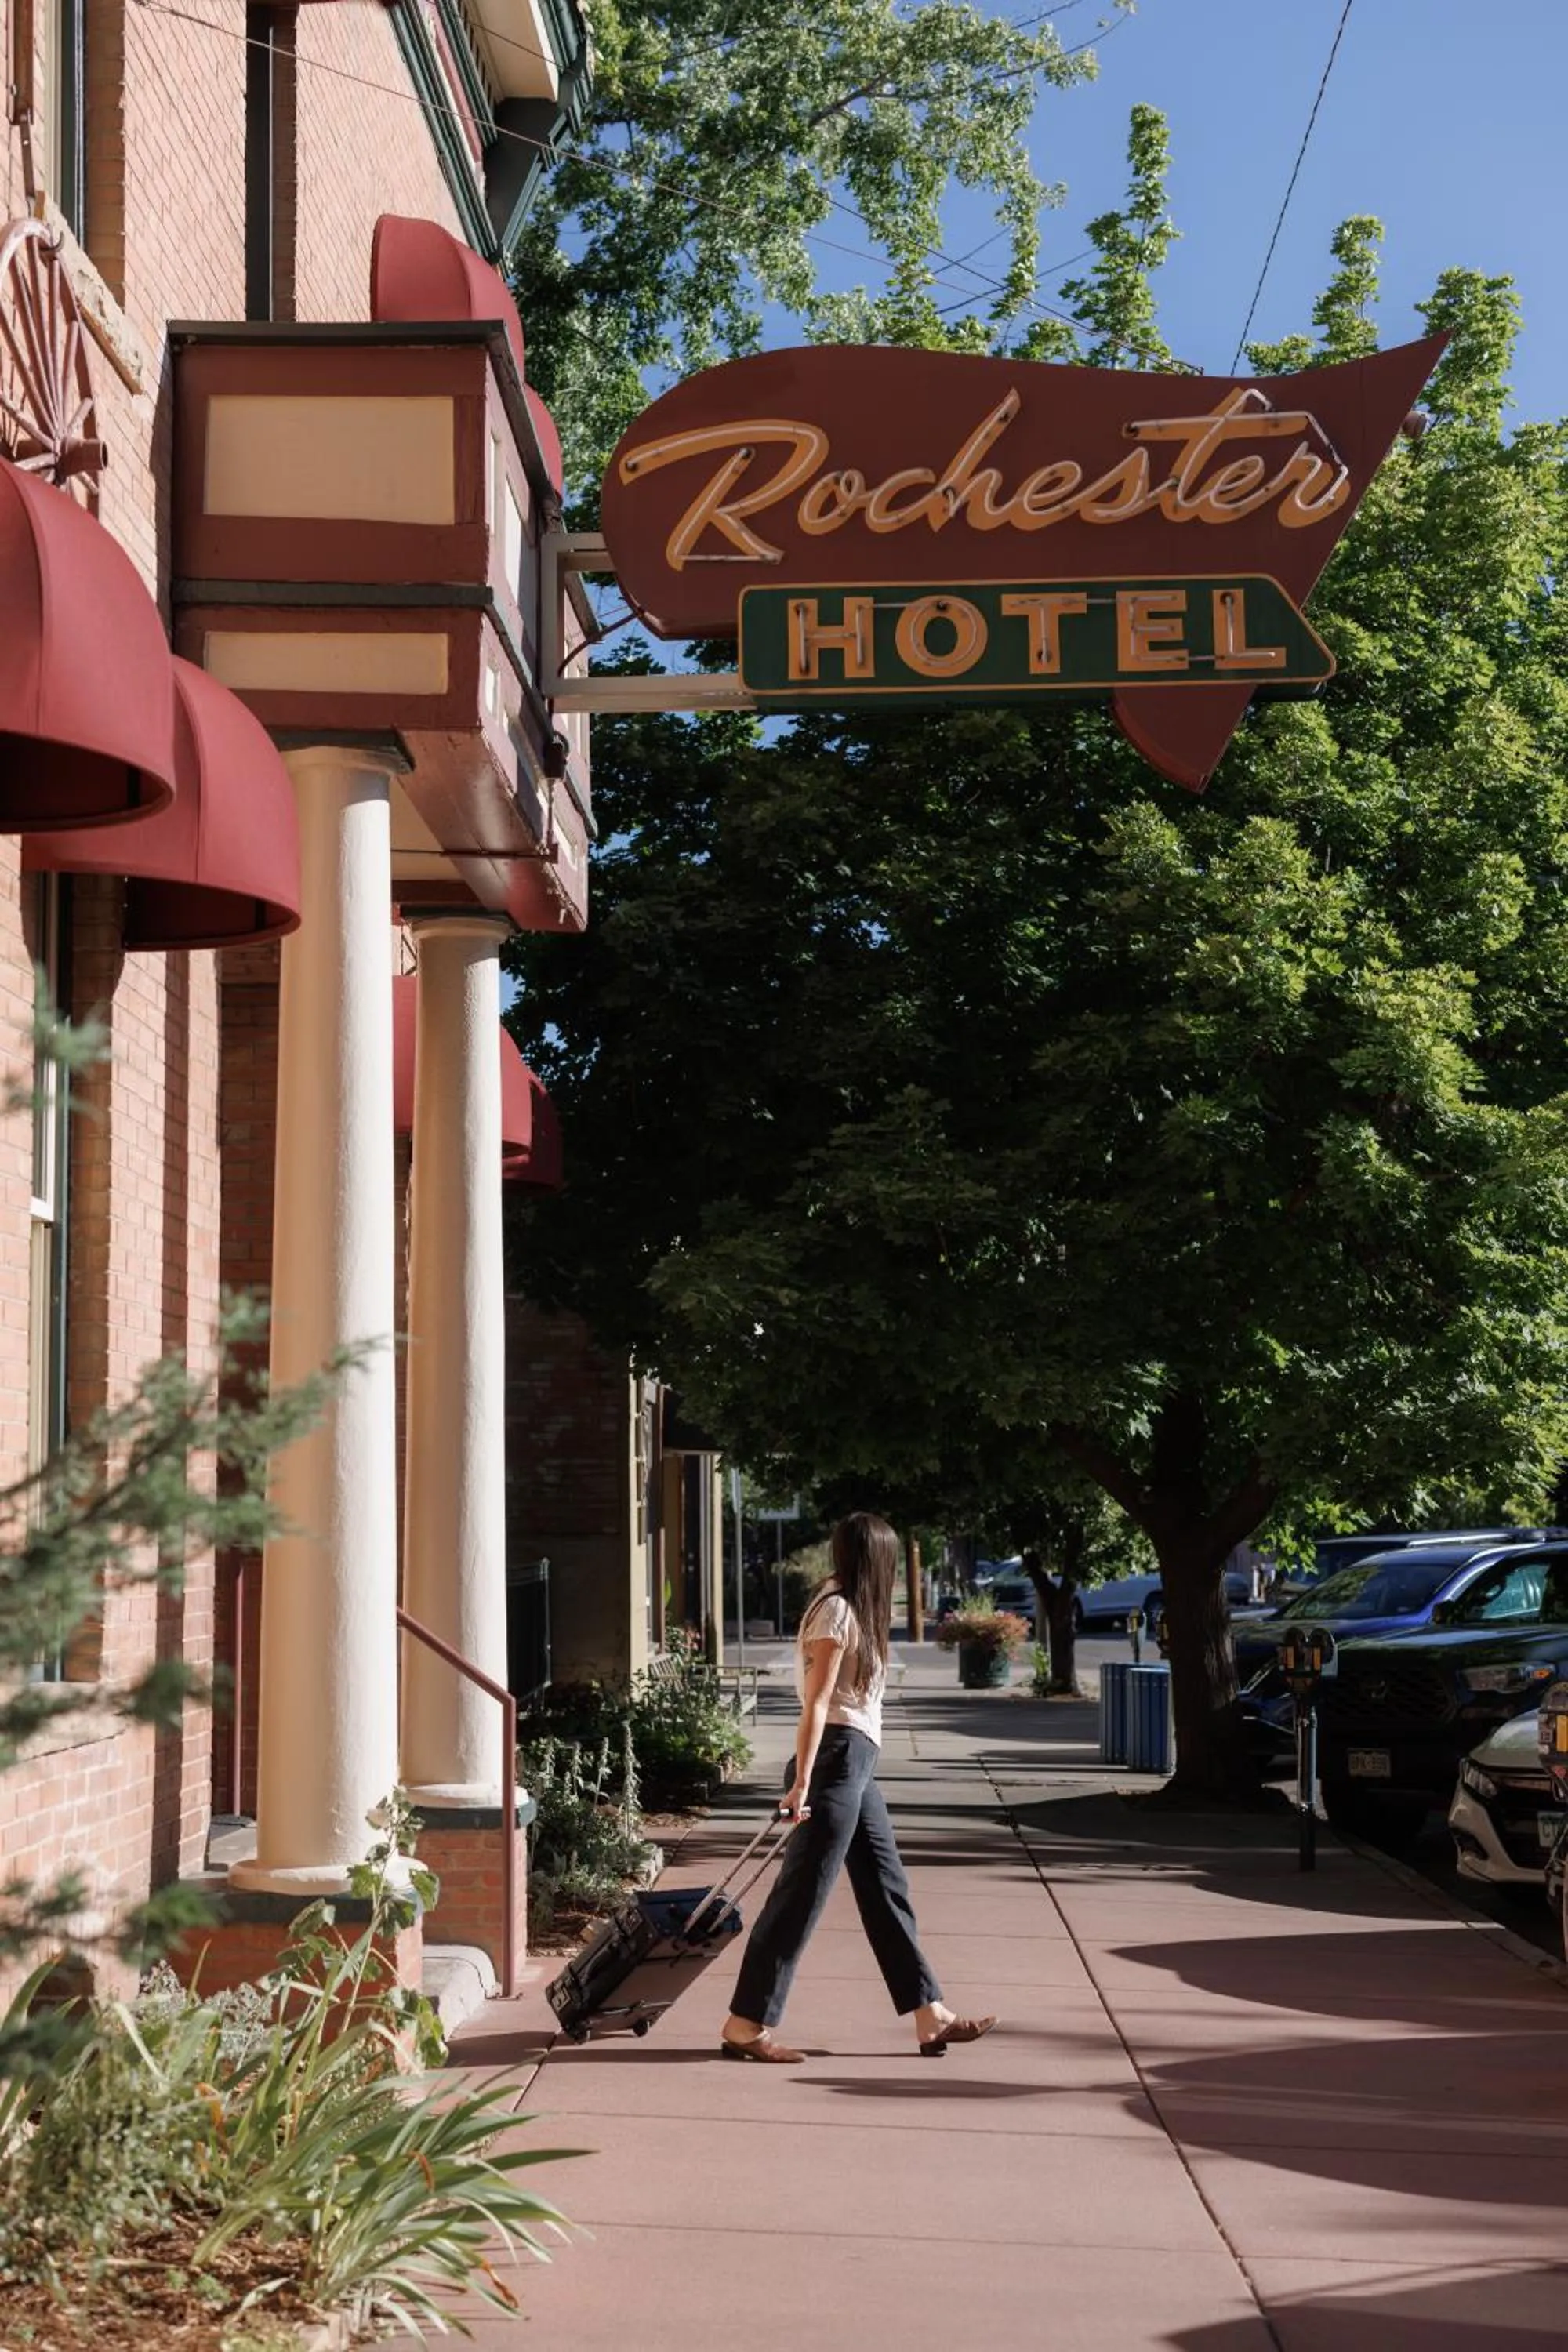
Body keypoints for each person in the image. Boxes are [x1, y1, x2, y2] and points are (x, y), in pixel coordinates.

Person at [719, 1511, 998, 2065]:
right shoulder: (838, 1612)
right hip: (833, 1762)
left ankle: (930, 2014)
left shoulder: (852, 1611)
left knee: (886, 1886)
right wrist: (800, 1781)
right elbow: (818, 1703)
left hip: (856, 1765)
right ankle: (745, 2023)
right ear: (876, 1561)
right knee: (802, 1893)